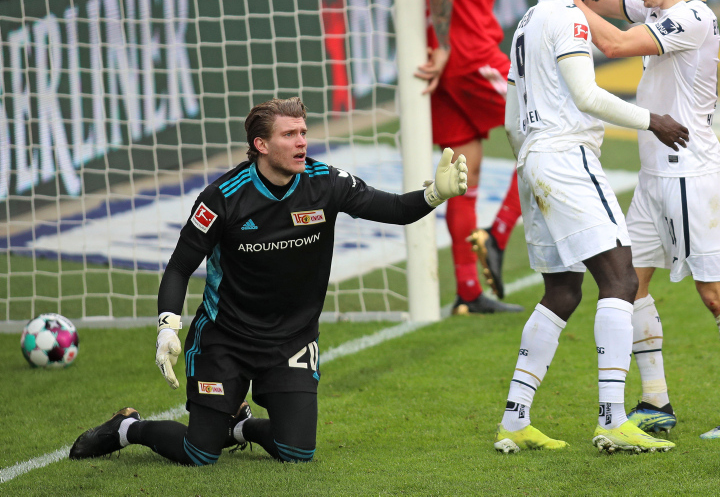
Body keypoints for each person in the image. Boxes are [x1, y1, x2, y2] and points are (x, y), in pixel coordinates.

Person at [69, 97, 468, 465]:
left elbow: (395, 208)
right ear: (261, 144)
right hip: (226, 337)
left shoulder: (326, 183)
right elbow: (178, 266)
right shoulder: (222, 198)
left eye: (304, 133)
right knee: (199, 453)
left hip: (291, 339)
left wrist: (435, 194)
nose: (301, 143)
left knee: (297, 451)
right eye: (289, 134)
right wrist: (167, 327)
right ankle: (127, 427)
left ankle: (239, 424)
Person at [542, 0, 720, 439]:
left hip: (690, 171)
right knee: (631, 282)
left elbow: (617, 43)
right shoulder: (658, 9)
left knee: (715, 291)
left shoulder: (692, 17)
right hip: (653, 176)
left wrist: (564, 2)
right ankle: (655, 402)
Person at [493, 0, 690, 455]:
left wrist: (531, 164)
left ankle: (514, 419)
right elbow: (587, 95)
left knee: (562, 290)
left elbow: (512, 117)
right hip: (566, 156)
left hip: (533, 158)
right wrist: (654, 121)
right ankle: (612, 418)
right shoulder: (566, 17)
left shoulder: (525, 23)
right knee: (622, 279)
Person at [414, 0, 528, 312]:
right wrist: (445, 48)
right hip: (470, 57)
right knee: (554, 133)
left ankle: (467, 292)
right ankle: (497, 238)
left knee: (464, 173)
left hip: (445, 65)